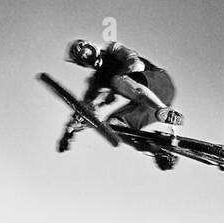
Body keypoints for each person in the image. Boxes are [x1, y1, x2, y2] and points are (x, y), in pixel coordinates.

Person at [58, 38, 183, 169]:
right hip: (146, 103)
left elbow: (136, 64)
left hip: (160, 83)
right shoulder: (96, 81)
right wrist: (68, 133)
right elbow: (83, 109)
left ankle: (167, 113)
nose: (84, 57)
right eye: (81, 59)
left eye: (84, 52)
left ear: (91, 47)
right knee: (114, 126)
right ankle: (160, 153)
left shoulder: (113, 50)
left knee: (117, 80)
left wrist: (113, 88)